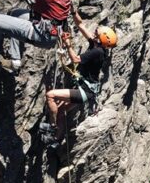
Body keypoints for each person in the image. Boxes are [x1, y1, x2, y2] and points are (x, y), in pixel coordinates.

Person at [40, 11, 117, 144]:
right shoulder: (97, 46)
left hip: (84, 92)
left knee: (50, 95)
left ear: (101, 39)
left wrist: (67, 43)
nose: (94, 32)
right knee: (61, 111)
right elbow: (80, 24)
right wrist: (73, 11)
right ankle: (56, 140)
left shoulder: (97, 52)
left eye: (97, 33)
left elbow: (75, 59)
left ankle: (52, 128)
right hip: (87, 90)